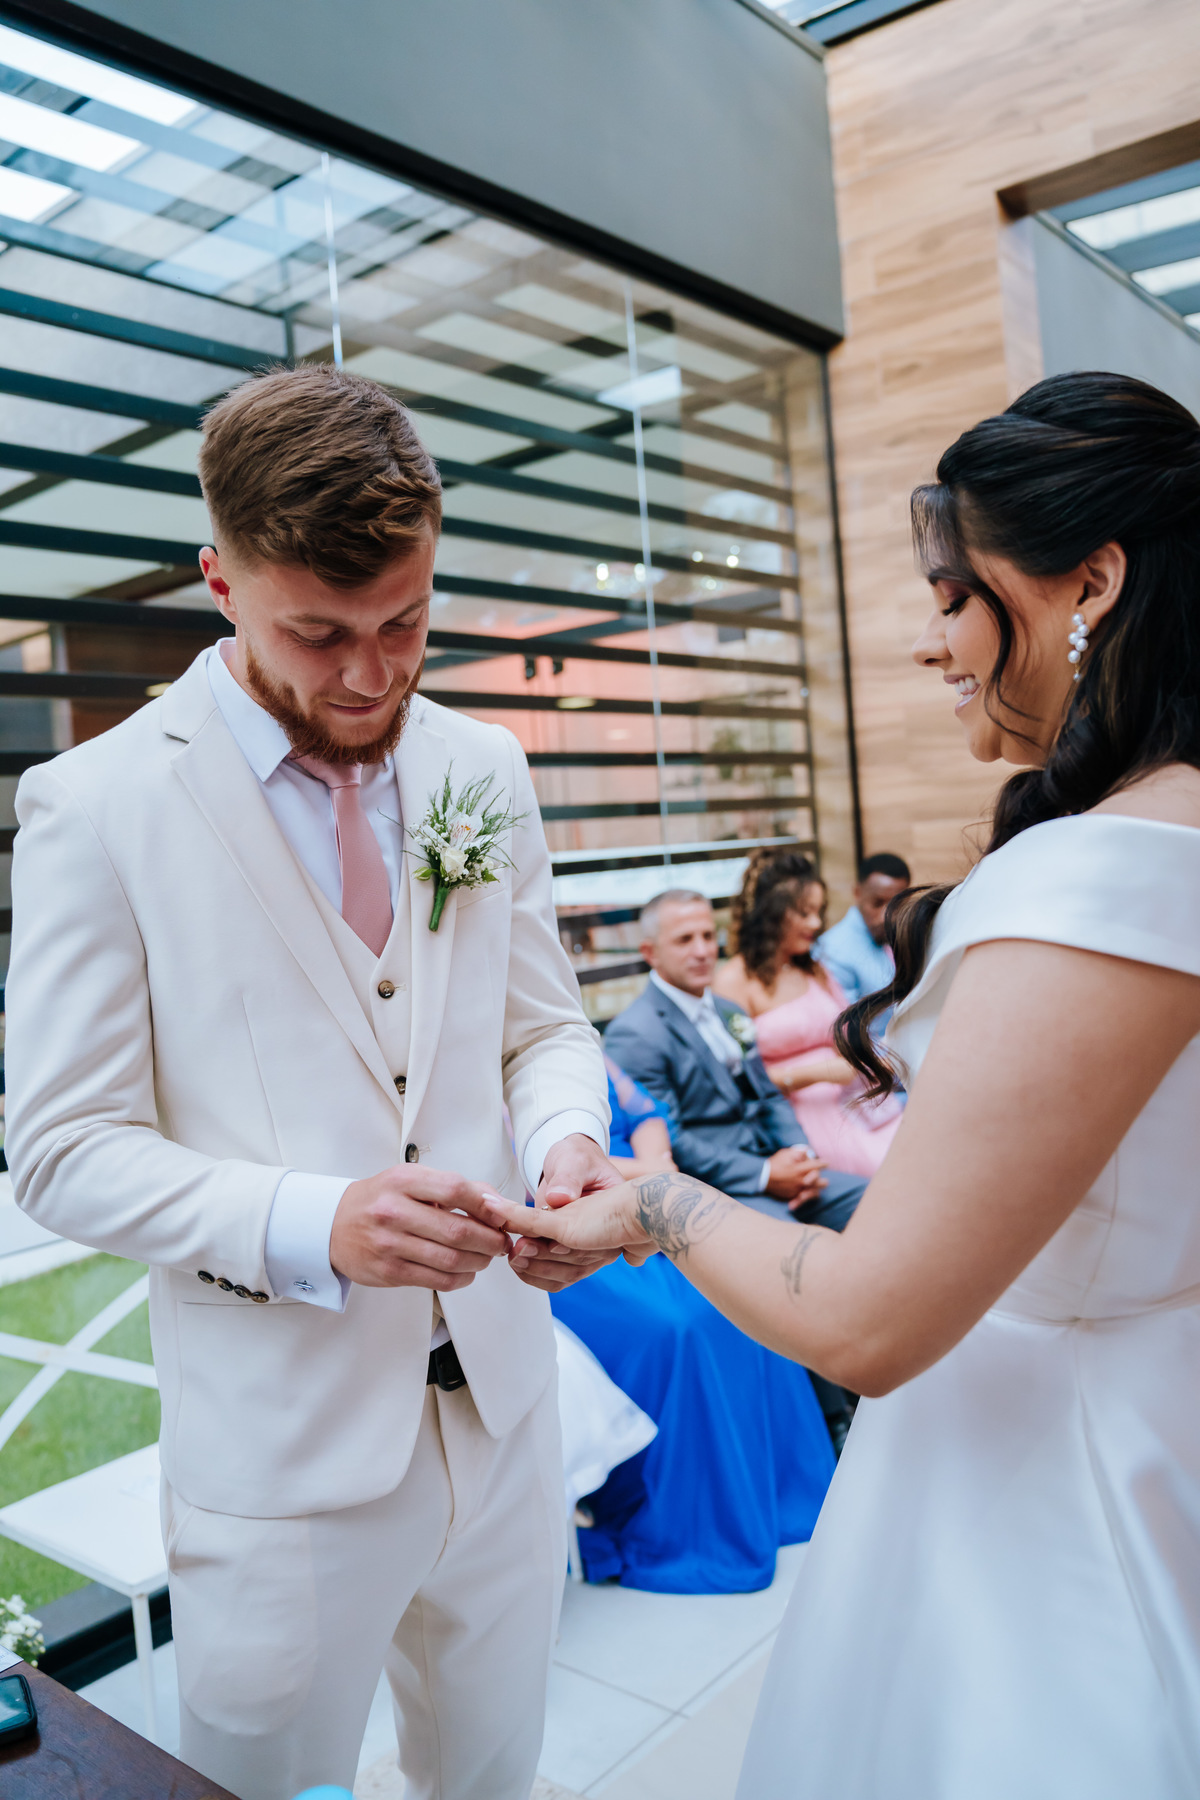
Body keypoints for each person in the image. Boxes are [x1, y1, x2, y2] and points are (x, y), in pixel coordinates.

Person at [486, 372, 1200, 1798]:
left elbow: (869, 1321)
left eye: (952, 596)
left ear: (1092, 581)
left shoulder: (1102, 877)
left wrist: (653, 1205)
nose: (932, 641)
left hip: (1038, 1493)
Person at [3, 366, 617, 1800]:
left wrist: (567, 1141)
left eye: (404, 622)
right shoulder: (98, 807)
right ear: (220, 581)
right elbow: (63, 1146)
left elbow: (542, 1027)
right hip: (279, 1470)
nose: (370, 675)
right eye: (319, 634)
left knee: (494, 1783)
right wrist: (313, 1222)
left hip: (505, 1416)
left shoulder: (484, 764)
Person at [552, 1055, 835, 1592]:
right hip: (572, 1231)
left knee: (745, 1300)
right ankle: (691, 1517)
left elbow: (645, 1112)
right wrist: (654, 1178)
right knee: (677, 1327)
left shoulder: (580, 1046)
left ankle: (772, 1492)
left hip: (655, 1201)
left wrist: (655, 1165)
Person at [604, 889, 865, 1229]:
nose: (703, 951)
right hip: (718, 1188)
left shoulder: (730, 1011)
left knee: (874, 1203)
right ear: (649, 953)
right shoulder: (636, 1032)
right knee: (795, 1242)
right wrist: (765, 1174)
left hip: (776, 1161)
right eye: (684, 940)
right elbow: (671, 1138)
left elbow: (768, 1094)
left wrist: (801, 1155)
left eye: (708, 936)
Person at [714, 850, 902, 1177]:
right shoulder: (733, 982)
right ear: (770, 913)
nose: (816, 923)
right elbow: (738, 1079)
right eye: (804, 913)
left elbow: (848, 1036)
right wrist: (821, 1073)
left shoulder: (814, 969)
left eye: (818, 911)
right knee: (885, 1172)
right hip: (797, 1117)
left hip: (855, 1100)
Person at [815, 851, 911, 1004]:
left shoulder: (898, 935)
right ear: (857, 893)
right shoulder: (831, 951)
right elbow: (842, 1016)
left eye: (896, 905)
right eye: (877, 903)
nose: (886, 917)